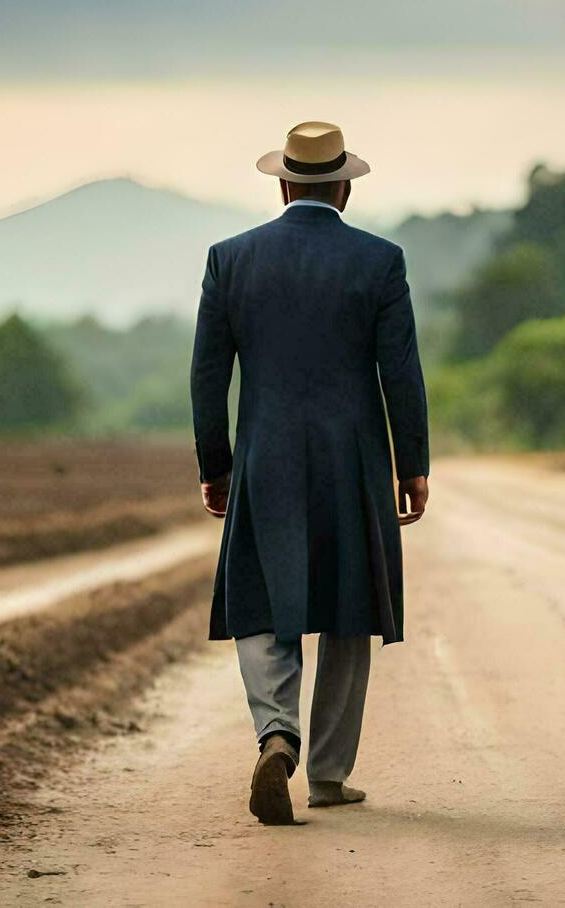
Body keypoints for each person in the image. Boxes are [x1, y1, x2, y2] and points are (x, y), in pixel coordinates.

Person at [190, 121, 430, 826]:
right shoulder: (380, 261)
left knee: (261, 602)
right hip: (354, 459)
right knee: (351, 610)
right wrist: (411, 465)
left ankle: (276, 734)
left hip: (265, 456)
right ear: (345, 189)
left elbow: (209, 377)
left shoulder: (229, 260)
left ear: (285, 183)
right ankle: (327, 773)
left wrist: (216, 465)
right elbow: (402, 375)